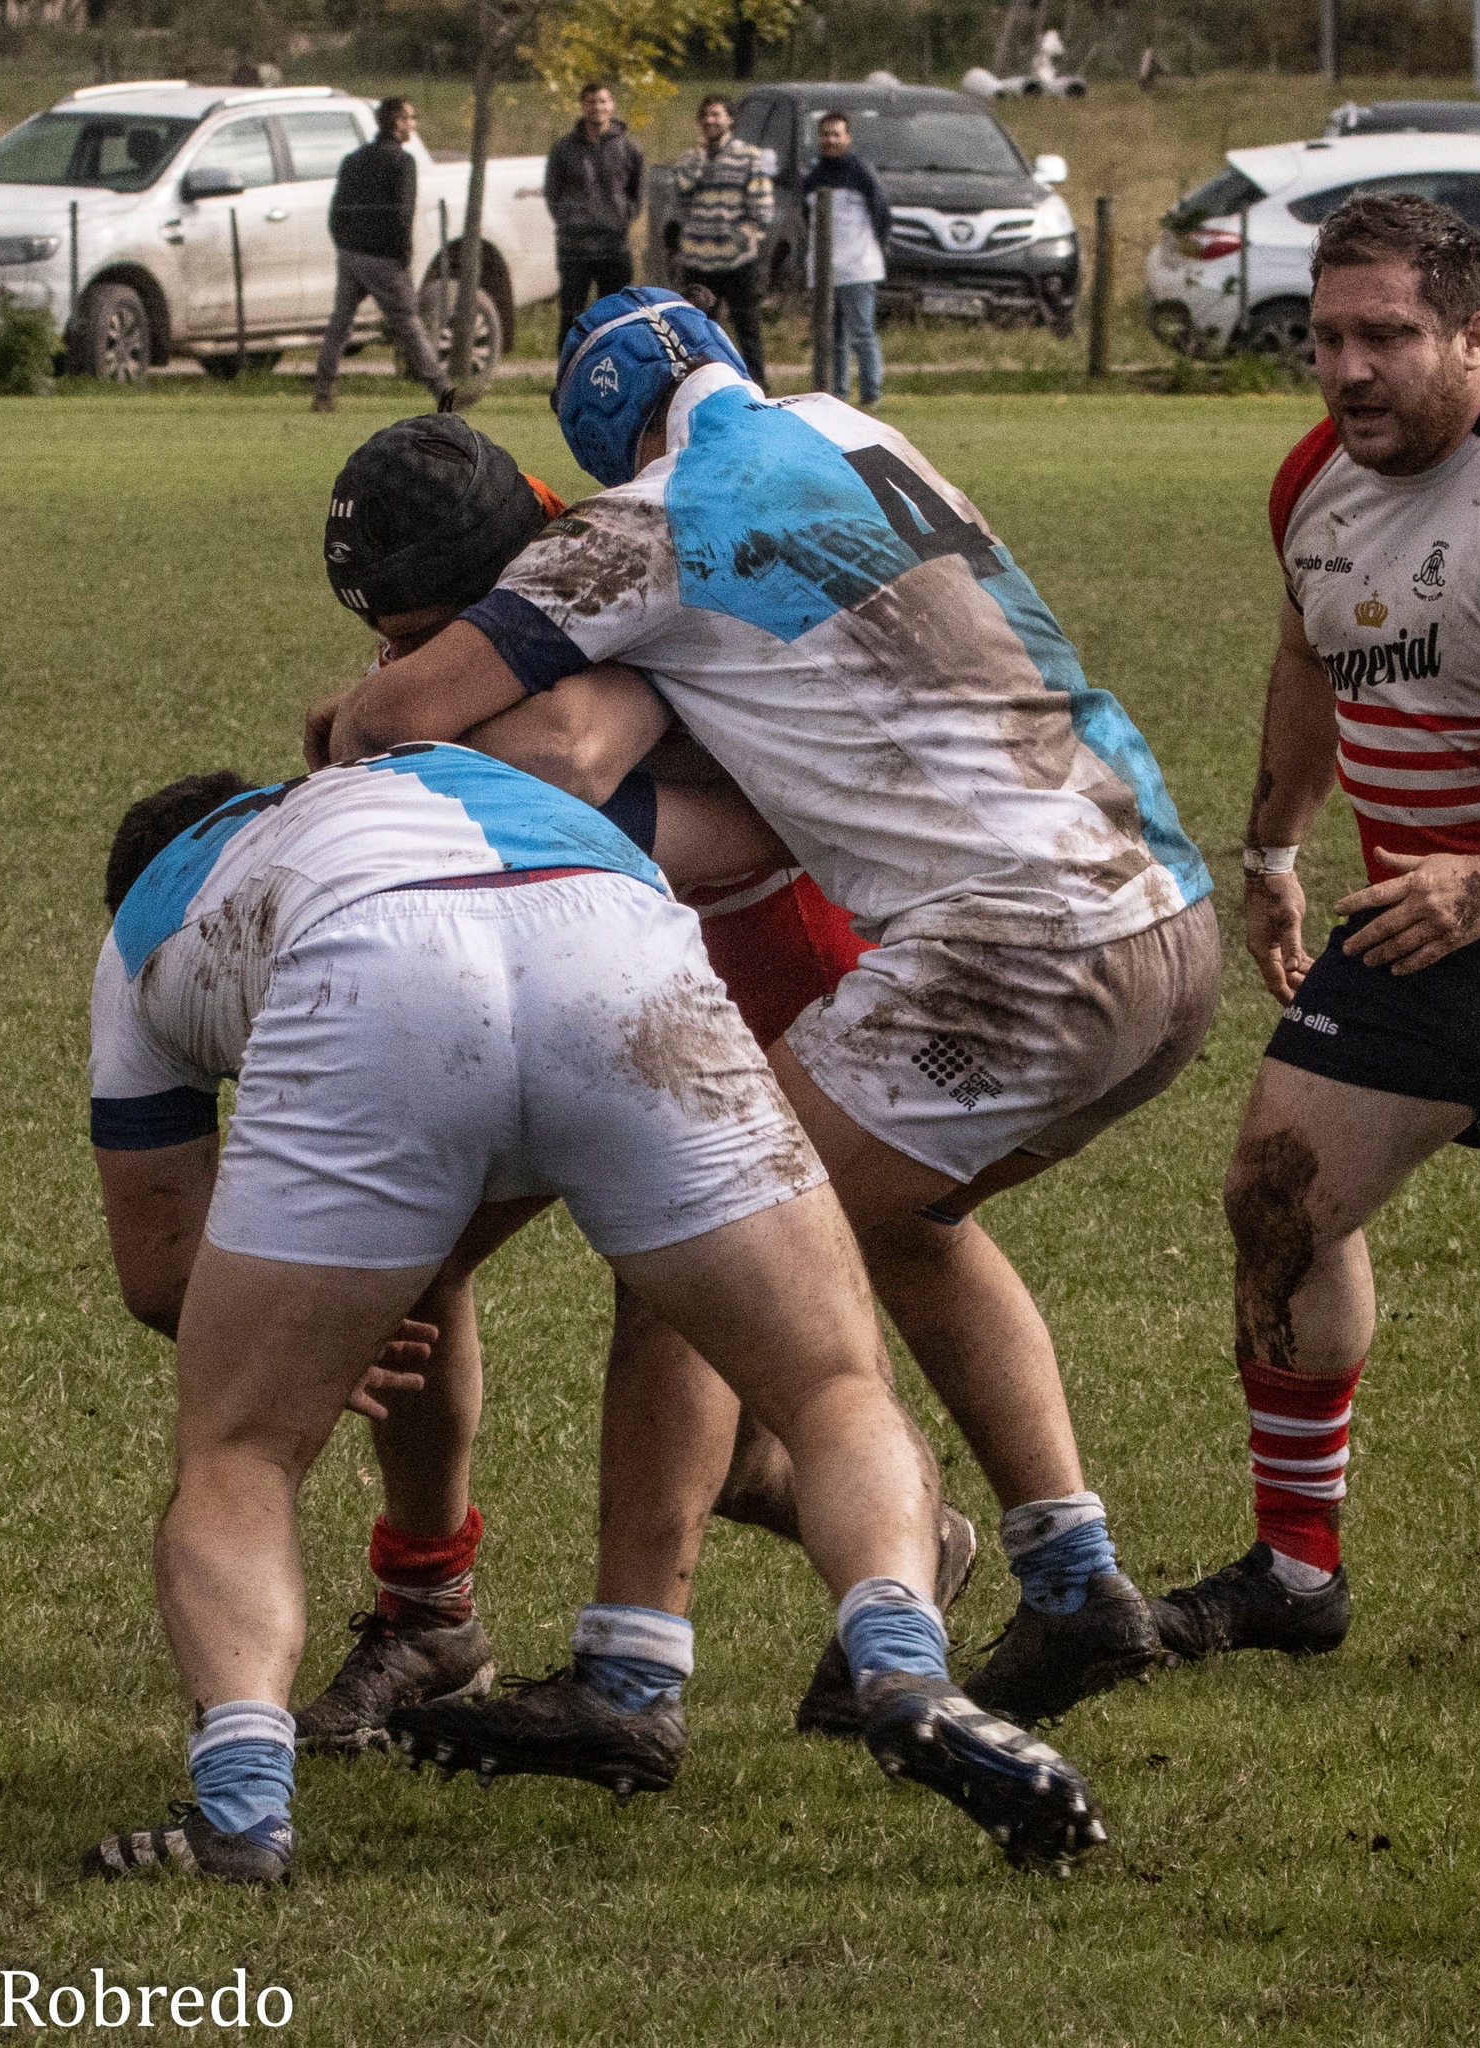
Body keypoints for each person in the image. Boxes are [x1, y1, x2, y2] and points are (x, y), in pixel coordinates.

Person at [306, 288, 1222, 1743]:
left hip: (995, 943)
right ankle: (1069, 1577)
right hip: (1158, 903)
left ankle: (627, 1677)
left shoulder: (644, 526)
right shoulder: (856, 432)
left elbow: (491, 734)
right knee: (901, 1226)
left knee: (690, 1224)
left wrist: (352, 731)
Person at [82, 748, 1104, 1884]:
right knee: (830, 1386)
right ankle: (903, 1656)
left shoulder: (152, 918)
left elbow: (158, 1265)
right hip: (615, 938)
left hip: (371, 977)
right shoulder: (420, 778)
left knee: (242, 1449)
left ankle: (240, 1812)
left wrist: (307, 1347)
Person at [296, 415, 977, 1767]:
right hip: (562, 960)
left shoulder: (624, 580)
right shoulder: (479, 615)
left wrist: (379, 737)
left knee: (692, 1324)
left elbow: (564, 753)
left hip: (752, 960)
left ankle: (673, 1653)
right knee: (410, 1253)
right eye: (390, 636)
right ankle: (430, 1609)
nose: (411, 655)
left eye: (431, 631)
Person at [1154, 195, 1480, 1660]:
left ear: (1476, 336)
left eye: (1386, 337)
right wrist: (1272, 849)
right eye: (1325, 337)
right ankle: (1295, 1573)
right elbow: (1309, 657)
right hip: (1427, 918)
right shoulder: (1314, 480)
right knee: (1275, 1193)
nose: (1347, 370)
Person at [312, 97, 451, 415]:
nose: (414, 124)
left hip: (351, 255)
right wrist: (404, 256)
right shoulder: (403, 163)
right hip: (385, 259)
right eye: (410, 118)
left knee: (340, 324)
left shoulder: (353, 160)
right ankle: (444, 392)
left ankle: (323, 391)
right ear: (398, 122)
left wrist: (344, 245)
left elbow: (337, 211)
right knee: (409, 323)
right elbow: (403, 214)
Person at [672, 95, 774, 388]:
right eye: (705, 115)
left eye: (716, 114)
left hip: (736, 259)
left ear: (730, 119)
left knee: (746, 326)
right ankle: (699, 385)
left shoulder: (749, 156)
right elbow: (680, 191)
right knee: (696, 329)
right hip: (698, 259)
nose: (710, 120)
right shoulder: (690, 158)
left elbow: (762, 205)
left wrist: (746, 236)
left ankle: (757, 385)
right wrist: (701, 159)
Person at [801, 110, 890, 409]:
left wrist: (873, 248)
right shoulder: (813, 177)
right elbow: (807, 220)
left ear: (848, 138)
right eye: (825, 134)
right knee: (831, 337)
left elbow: (882, 215)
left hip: (858, 268)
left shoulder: (861, 173)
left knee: (862, 333)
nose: (830, 140)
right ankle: (837, 394)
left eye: (836, 134)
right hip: (824, 270)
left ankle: (870, 394)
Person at [544, 83, 644, 345]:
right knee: (572, 317)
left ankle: (615, 365)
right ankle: (569, 369)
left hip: (614, 246)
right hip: (574, 247)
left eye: (602, 101)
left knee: (618, 316)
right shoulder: (564, 148)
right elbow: (552, 193)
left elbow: (637, 193)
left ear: (611, 105)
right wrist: (570, 220)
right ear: (582, 106)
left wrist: (620, 219)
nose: (596, 107)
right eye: (590, 102)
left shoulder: (629, 148)